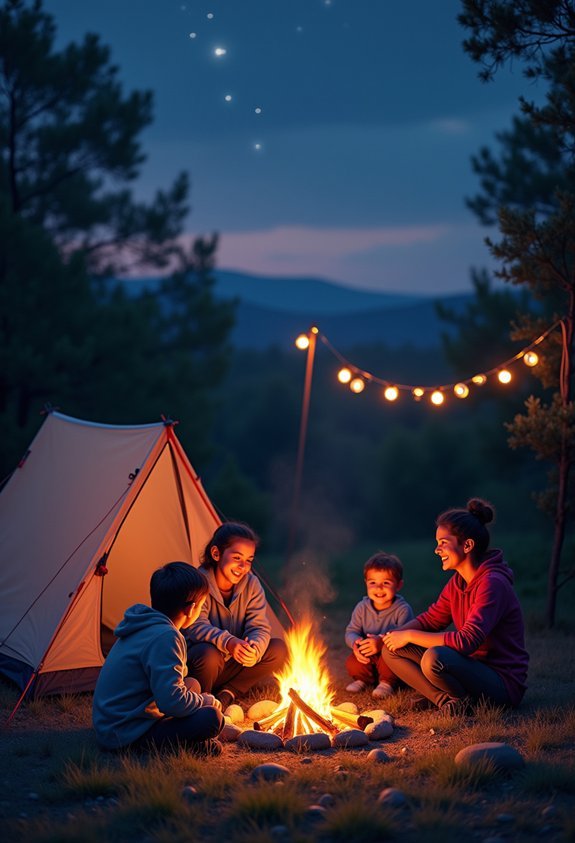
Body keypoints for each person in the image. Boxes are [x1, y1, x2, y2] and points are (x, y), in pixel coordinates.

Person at [381, 498, 529, 715]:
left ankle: (459, 700)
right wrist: (384, 638)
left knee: (435, 658)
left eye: (443, 542)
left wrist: (410, 635)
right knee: (391, 648)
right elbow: (431, 620)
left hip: (502, 682)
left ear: (467, 545)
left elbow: (466, 642)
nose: (437, 550)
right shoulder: (458, 582)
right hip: (471, 667)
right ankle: (446, 700)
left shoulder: (492, 583)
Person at [93, 562, 224, 753]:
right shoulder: (166, 637)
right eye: (203, 605)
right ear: (191, 609)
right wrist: (205, 701)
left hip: (112, 724)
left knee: (192, 684)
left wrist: (197, 698)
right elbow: (171, 702)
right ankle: (187, 746)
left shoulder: (146, 625)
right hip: (125, 734)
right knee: (212, 718)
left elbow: (171, 686)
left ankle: (184, 738)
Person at [185, 522, 287, 709]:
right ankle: (204, 701)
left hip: (233, 661)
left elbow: (259, 626)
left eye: (249, 560)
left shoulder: (252, 585)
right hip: (202, 664)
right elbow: (195, 627)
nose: (243, 566)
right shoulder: (199, 583)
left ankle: (229, 692)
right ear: (216, 554)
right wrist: (228, 642)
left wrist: (254, 649)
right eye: (237, 557)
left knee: (278, 649)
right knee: (209, 654)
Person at [344, 551, 414, 698]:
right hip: (369, 653)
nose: (379, 588)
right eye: (373, 583)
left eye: (386, 583)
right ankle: (363, 679)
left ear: (398, 585)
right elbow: (351, 631)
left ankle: (387, 683)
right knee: (353, 662)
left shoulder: (402, 609)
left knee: (391, 661)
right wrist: (356, 642)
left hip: (390, 654)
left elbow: (405, 639)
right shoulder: (362, 607)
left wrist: (381, 640)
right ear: (366, 583)